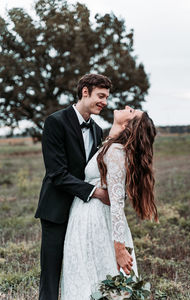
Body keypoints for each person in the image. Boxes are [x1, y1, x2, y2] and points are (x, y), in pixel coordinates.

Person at [61, 107, 158, 300]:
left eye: (132, 112)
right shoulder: (111, 145)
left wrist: (119, 249)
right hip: (86, 215)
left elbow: (116, 204)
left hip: (96, 219)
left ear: (128, 125)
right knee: (86, 274)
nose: (128, 107)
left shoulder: (116, 151)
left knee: (94, 276)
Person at [35, 74, 112, 300]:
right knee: (51, 273)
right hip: (57, 209)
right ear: (85, 92)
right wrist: (97, 193)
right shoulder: (55, 122)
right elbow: (56, 173)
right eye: (101, 96)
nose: (104, 102)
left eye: (107, 97)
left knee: (80, 268)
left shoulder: (98, 130)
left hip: (84, 214)